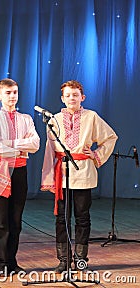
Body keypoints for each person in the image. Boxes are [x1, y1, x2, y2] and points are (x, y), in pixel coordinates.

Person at [41, 80, 117, 273]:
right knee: (62, 218)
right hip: (63, 172)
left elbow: (110, 137)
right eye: (67, 95)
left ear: (82, 97)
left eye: (75, 95)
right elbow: (49, 151)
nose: (71, 98)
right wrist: (49, 176)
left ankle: (81, 259)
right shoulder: (54, 119)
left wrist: (96, 154)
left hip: (83, 171)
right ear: (62, 98)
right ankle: (63, 260)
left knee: (82, 218)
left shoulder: (91, 117)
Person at [0, 78, 40, 277]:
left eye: (15, 92)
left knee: (16, 219)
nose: (12, 96)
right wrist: (20, 146)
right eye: (8, 93)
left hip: (20, 172)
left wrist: (10, 144)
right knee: (1, 220)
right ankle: (1, 263)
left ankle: (12, 262)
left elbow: (35, 144)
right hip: (1, 170)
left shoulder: (26, 119)